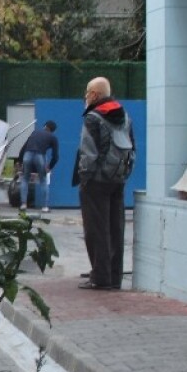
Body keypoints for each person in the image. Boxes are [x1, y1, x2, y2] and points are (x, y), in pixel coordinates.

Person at [73, 77, 134, 290]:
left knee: (96, 229)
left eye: (87, 92)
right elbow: (132, 146)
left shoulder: (93, 117)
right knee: (116, 228)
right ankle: (115, 277)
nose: (85, 96)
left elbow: (88, 151)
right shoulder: (124, 115)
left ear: (95, 95)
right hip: (118, 179)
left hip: (96, 181)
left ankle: (100, 277)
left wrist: (85, 178)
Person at [17, 120, 59, 213]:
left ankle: (23, 205)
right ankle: (44, 207)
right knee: (43, 180)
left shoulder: (34, 132)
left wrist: (19, 163)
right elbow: (55, 156)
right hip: (40, 157)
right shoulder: (52, 137)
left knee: (25, 179)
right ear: (53, 130)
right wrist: (49, 167)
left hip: (27, 155)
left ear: (44, 126)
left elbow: (23, 148)